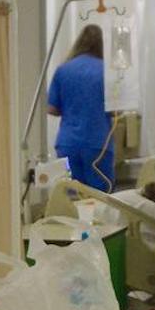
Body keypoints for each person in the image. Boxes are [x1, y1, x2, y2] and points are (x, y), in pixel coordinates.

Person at [47, 24, 114, 191]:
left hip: (67, 143)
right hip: (98, 143)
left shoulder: (63, 70)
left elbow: (52, 109)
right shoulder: (108, 71)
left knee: (72, 195)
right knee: (101, 198)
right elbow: (116, 109)